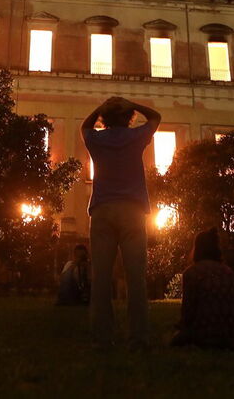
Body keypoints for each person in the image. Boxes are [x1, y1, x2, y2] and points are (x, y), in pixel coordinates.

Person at [82, 96, 161, 349]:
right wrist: (132, 103)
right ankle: (138, 337)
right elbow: (155, 117)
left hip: (102, 210)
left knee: (101, 277)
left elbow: (85, 126)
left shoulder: (96, 140)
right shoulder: (136, 137)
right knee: (136, 277)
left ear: (104, 118)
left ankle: (102, 338)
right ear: (129, 117)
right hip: (132, 210)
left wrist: (101, 106)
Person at [170, 228, 234, 349]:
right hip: (230, 335)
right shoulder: (228, 271)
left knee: (175, 339)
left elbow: (188, 312)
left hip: (203, 333)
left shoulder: (192, 273)